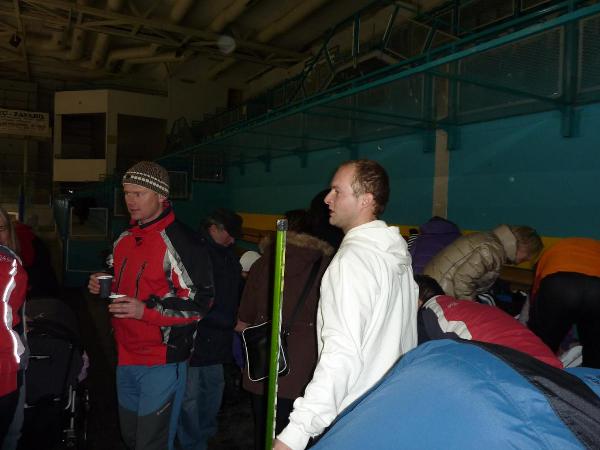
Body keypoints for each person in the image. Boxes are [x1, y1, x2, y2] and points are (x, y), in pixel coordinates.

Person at [274, 159, 418, 450]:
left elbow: (341, 354)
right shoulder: (394, 255)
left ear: (365, 200)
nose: (327, 199)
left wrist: (295, 435)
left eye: (337, 191)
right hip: (390, 406)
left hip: (355, 418)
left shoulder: (351, 262)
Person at [88, 161, 214, 450]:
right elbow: (121, 281)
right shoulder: (124, 239)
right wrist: (102, 283)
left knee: (152, 443)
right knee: (132, 437)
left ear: (161, 195)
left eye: (139, 193)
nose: (130, 201)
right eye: (127, 193)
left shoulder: (183, 243)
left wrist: (145, 311)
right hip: (125, 354)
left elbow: (199, 304)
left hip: (162, 360)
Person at [236, 209, 334, 450]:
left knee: (264, 433)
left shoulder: (264, 263)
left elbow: (243, 318)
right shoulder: (326, 266)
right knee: (297, 436)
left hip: (265, 363)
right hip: (306, 369)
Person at [177, 208, 243, 450]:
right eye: (230, 234)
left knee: (213, 389)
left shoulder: (226, 255)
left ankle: (204, 433)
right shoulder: (196, 254)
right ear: (213, 228)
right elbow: (194, 303)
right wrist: (232, 322)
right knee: (191, 396)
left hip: (217, 337)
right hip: (194, 337)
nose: (233, 240)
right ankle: (192, 442)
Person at [414, 275, 562, 368]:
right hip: (554, 371)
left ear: (417, 300)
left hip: (522, 375)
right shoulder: (474, 306)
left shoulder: (430, 313)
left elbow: (415, 360)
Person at [528, 238, 600, 368]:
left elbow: (534, 295)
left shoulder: (552, 251)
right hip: (597, 287)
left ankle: (533, 375)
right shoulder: (595, 249)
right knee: (595, 353)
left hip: (558, 283)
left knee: (541, 347)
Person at [423, 224, 542, 300]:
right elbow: (462, 280)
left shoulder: (488, 239)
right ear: (524, 247)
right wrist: (473, 308)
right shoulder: (492, 251)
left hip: (431, 287)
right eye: (527, 257)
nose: (523, 261)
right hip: (438, 293)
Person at [0, 208, 28, 448]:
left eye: (1, 228)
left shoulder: (12, 263)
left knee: (13, 432)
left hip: (13, 362)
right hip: (6, 368)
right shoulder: (10, 266)